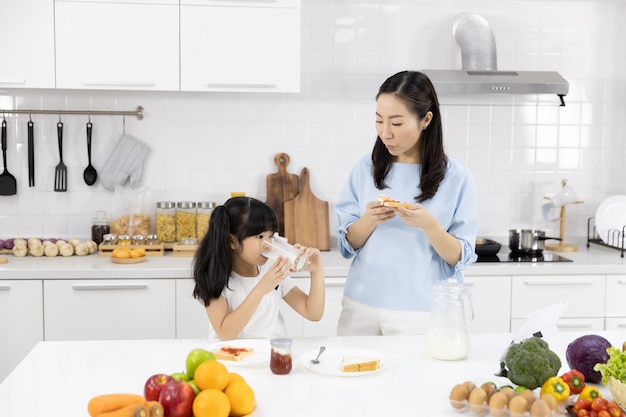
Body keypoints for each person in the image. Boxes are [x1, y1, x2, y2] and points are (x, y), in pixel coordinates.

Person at [335, 70, 478, 336]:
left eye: (397, 123)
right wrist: (368, 221)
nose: (385, 133)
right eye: (379, 121)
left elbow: (460, 256)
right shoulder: (365, 168)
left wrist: (430, 226)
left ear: (425, 120)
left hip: (421, 309)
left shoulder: (457, 177)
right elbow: (348, 244)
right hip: (361, 304)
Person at [193, 196, 325, 340]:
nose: (268, 244)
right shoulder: (215, 278)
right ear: (232, 241)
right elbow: (225, 333)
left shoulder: (272, 269)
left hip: (272, 355)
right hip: (233, 357)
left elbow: (313, 313)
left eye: (270, 235)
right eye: (260, 237)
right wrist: (261, 288)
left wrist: (316, 270)